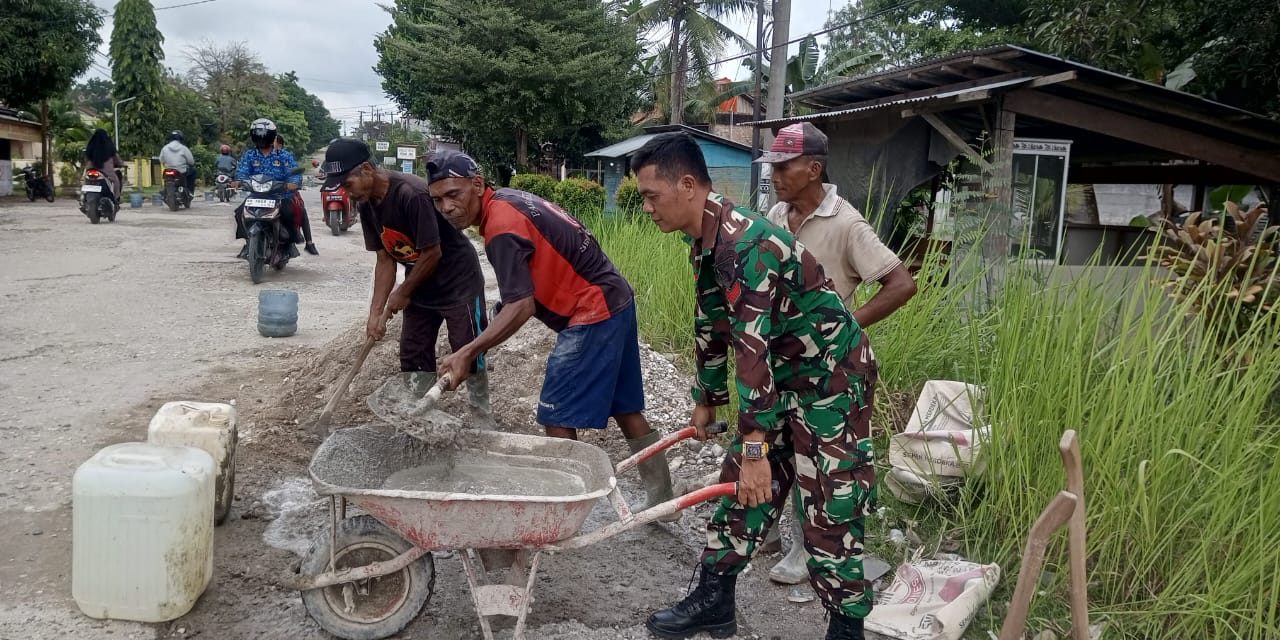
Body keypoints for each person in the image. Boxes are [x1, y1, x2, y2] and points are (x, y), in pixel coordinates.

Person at [632, 132, 876, 640]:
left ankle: (847, 628)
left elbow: (752, 353)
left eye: (651, 196)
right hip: (783, 381)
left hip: (829, 383)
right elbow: (711, 319)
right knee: (742, 492)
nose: (647, 207)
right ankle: (714, 602)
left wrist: (756, 448)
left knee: (830, 510)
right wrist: (707, 398)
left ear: (687, 185)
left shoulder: (749, 245)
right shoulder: (705, 237)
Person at [428, 150, 678, 517]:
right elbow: (524, 288)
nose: (447, 207)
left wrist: (467, 351)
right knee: (626, 408)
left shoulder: (500, 227)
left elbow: (522, 306)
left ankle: (565, 512)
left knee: (555, 414)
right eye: (437, 200)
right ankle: (664, 500)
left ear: (477, 185)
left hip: (591, 310)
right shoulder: (509, 201)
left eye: (454, 194)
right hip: (614, 297)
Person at [760, 122, 917, 585]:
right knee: (772, 448)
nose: (775, 174)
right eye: (773, 166)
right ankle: (770, 531)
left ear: (813, 169)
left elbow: (901, 283)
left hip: (829, 369)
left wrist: (846, 328)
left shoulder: (846, 224)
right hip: (780, 360)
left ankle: (805, 550)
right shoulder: (774, 215)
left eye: (783, 166)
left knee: (819, 460)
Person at [320, 138, 490, 413]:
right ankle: (418, 412)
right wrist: (376, 312)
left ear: (366, 169)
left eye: (347, 184)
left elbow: (432, 252)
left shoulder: (411, 194)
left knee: (467, 351)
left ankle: (481, 412)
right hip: (421, 284)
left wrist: (402, 292)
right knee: (413, 352)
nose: (346, 192)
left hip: (458, 281)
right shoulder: (366, 204)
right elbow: (385, 258)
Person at [233, 118, 316, 256]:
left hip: (280, 195)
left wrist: (293, 182)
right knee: (239, 213)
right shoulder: (249, 155)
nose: (261, 137)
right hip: (256, 195)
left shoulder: (283, 155)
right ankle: (248, 242)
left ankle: (289, 243)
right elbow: (242, 171)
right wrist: (239, 181)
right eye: (258, 134)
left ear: (272, 136)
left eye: (264, 134)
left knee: (289, 213)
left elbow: (293, 172)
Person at [273, 133, 317, 255]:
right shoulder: (258, 156)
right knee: (241, 211)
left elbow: (296, 174)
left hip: (283, 194)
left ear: (280, 145)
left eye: (273, 142)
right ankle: (249, 242)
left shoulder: (286, 157)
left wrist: (294, 183)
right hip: (261, 194)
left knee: (296, 210)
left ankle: (305, 241)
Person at [84, 128, 123, 199]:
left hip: (90, 169)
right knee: (116, 181)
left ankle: (83, 197)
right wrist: (121, 164)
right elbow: (117, 159)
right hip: (106, 172)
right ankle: (116, 198)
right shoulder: (109, 146)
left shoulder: (90, 145)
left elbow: (86, 158)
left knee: (85, 180)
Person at [159, 130, 196, 196]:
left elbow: (161, 159)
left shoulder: (165, 148)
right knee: (193, 171)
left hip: (168, 171)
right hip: (181, 171)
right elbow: (191, 161)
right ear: (181, 138)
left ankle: (165, 190)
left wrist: (166, 164)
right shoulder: (183, 148)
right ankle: (190, 191)